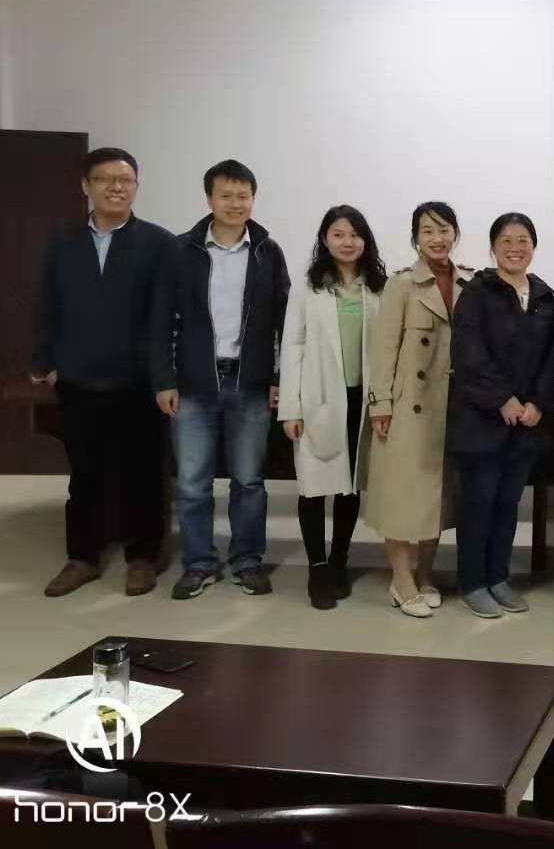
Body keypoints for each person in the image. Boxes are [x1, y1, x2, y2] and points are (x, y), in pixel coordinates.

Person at [31, 147, 174, 598]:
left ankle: (142, 557)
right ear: (85, 186)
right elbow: (47, 304)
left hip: (138, 381)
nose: (116, 187)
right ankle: (83, 557)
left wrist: (163, 377)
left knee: (144, 474)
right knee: (85, 474)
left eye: (125, 180)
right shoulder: (62, 241)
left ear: (136, 187)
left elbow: (164, 316)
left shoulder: (158, 243)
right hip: (78, 379)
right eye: (105, 179)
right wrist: (42, 362)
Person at [152, 159, 291, 600]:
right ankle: (199, 563)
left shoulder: (267, 251)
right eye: (226, 195)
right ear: (209, 199)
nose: (235, 203)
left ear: (253, 198)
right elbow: (160, 319)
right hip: (193, 385)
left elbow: (285, 321)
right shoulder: (182, 251)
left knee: (249, 481)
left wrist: (280, 377)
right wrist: (164, 379)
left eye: (243, 196)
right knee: (192, 483)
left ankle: (247, 561)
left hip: (250, 384)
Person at [450, 213, 554, 619]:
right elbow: (469, 355)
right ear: (493, 247)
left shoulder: (544, 296)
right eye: (507, 240)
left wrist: (537, 404)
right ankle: (473, 583)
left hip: (525, 424)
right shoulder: (477, 293)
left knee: (507, 505)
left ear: (534, 246)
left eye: (523, 240)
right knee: (478, 504)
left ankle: (498, 577)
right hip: (482, 420)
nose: (516, 248)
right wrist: (503, 400)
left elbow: (552, 358)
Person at [364, 202, 470, 618]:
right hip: (408, 406)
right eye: (428, 231)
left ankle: (426, 572)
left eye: (444, 230)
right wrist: (380, 404)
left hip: (452, 406)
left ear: (455, 234)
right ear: (416, 239)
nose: (437, 238)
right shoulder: (401, 285)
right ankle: (401, 578)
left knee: (436, 496)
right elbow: (384, 349)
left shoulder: (469, 283)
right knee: (401, 494)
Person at [278, 205, 386, 611]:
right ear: (325, 239)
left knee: (350, 486)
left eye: (355, 234)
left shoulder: (378, 287)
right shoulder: (308, 287)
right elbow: (292, 346)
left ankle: (339, 560)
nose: (347, 242)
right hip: (318, 398)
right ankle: (317, 568)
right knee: (313, 487)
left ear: (365, 240)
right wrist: (291, 408)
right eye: (338, 234)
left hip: (362, 400)